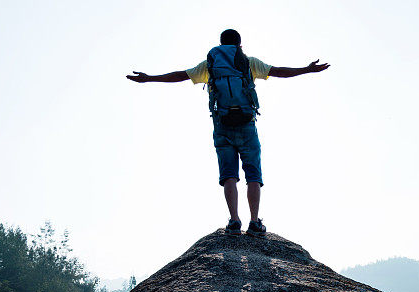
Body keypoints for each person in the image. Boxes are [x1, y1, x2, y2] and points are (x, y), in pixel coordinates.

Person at [126, 29, 329, 237]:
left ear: (221, 44)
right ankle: (254, 223)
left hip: (222, 125)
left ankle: (234, 221)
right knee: (253, 174)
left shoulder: (211, 64)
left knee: (229, 175)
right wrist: (307, 69)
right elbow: (277, 71)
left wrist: (149, 78)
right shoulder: (247, 62)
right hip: (246, 124)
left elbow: (181, 75)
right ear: (240, 45)